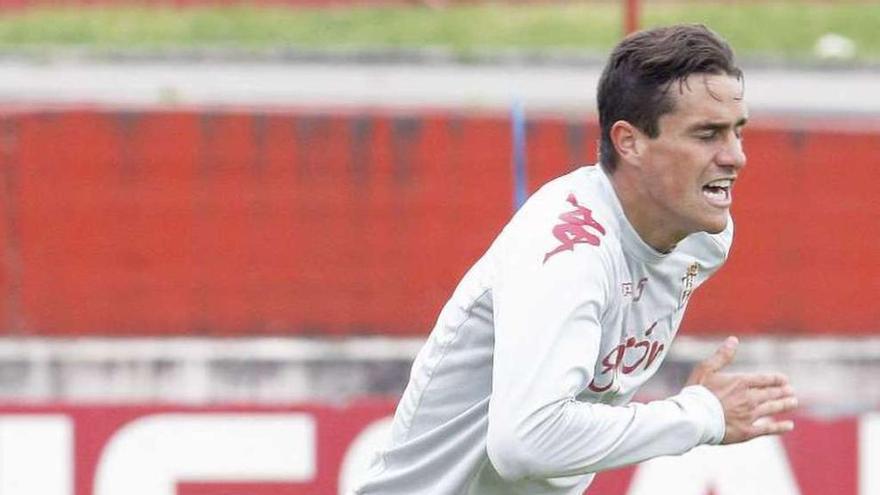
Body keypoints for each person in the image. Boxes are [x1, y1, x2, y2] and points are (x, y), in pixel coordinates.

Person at [353, 24, 799, 495]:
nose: (735, 157)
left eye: (737, 132)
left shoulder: (700, 239)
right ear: (629, 142)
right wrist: (700, 415)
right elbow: (526, 442)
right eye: (707, 134)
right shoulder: (569, 255)